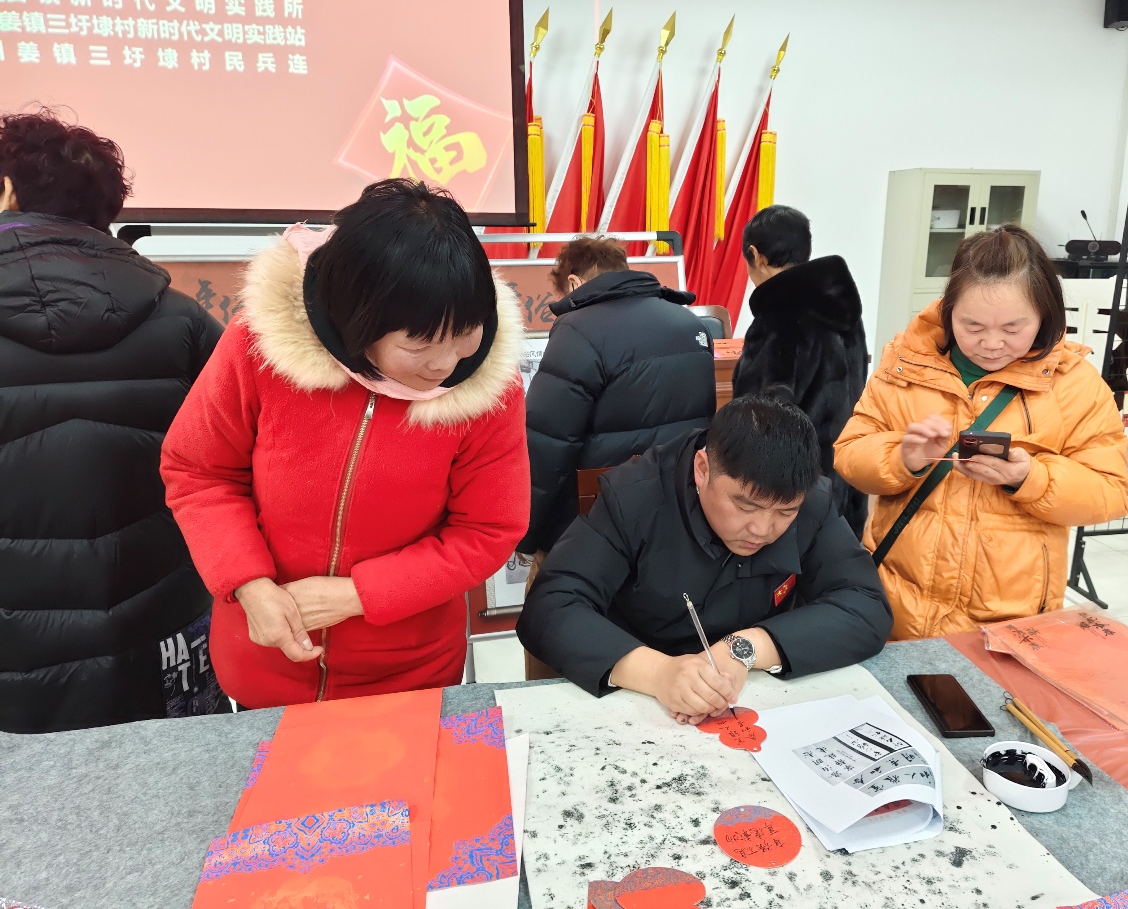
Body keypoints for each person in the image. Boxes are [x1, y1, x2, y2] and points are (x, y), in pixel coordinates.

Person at [161, 179, 529, 709]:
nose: (446, 364)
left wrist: (359, 595)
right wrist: (248, 584)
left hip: (412, 672)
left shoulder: (488, 390)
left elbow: (488, 529)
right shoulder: (258, 347)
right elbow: (200, 471)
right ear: (359, 322)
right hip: (265, 659)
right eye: (419, 345)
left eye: (466, 334)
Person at [0, 109, 225, 732]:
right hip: (165, 636)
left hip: (16, 661)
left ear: (7, 191)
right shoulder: (183, 319)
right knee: (184, 787)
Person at [517, 393, 892, 722]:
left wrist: (746, 649)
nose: (763, 529)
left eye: (785, 512)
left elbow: (866, 605)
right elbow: (550, 606)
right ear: (702, 470)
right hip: (642, 701)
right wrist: (658, 673)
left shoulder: (812, 501)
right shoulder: (636, 496)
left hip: (755, 694)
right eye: (745, 506)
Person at [834, 224, 1128, 640]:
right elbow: (849, 452)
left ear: (1044, 314)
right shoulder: (906, 363)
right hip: (897, 603)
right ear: (948, 310)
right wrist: (902, 458)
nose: (991, 344)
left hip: (1009, 621)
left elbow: (1111, 491)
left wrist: (1030, 478)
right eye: (972, 326)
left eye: (1012, 328)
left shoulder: (1073, 385)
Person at [519, 236, 716, 560]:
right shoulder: (691, 323)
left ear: (574, 283)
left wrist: (527, 535)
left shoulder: (578, 329)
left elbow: (546, 445)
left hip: (595, 524)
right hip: (676, 516)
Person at [732, 205, 870, 536]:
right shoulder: (843, 311)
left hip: (793, 492)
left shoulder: (777, 317)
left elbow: (758, 419)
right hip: (845, 476)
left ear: (756, 255)